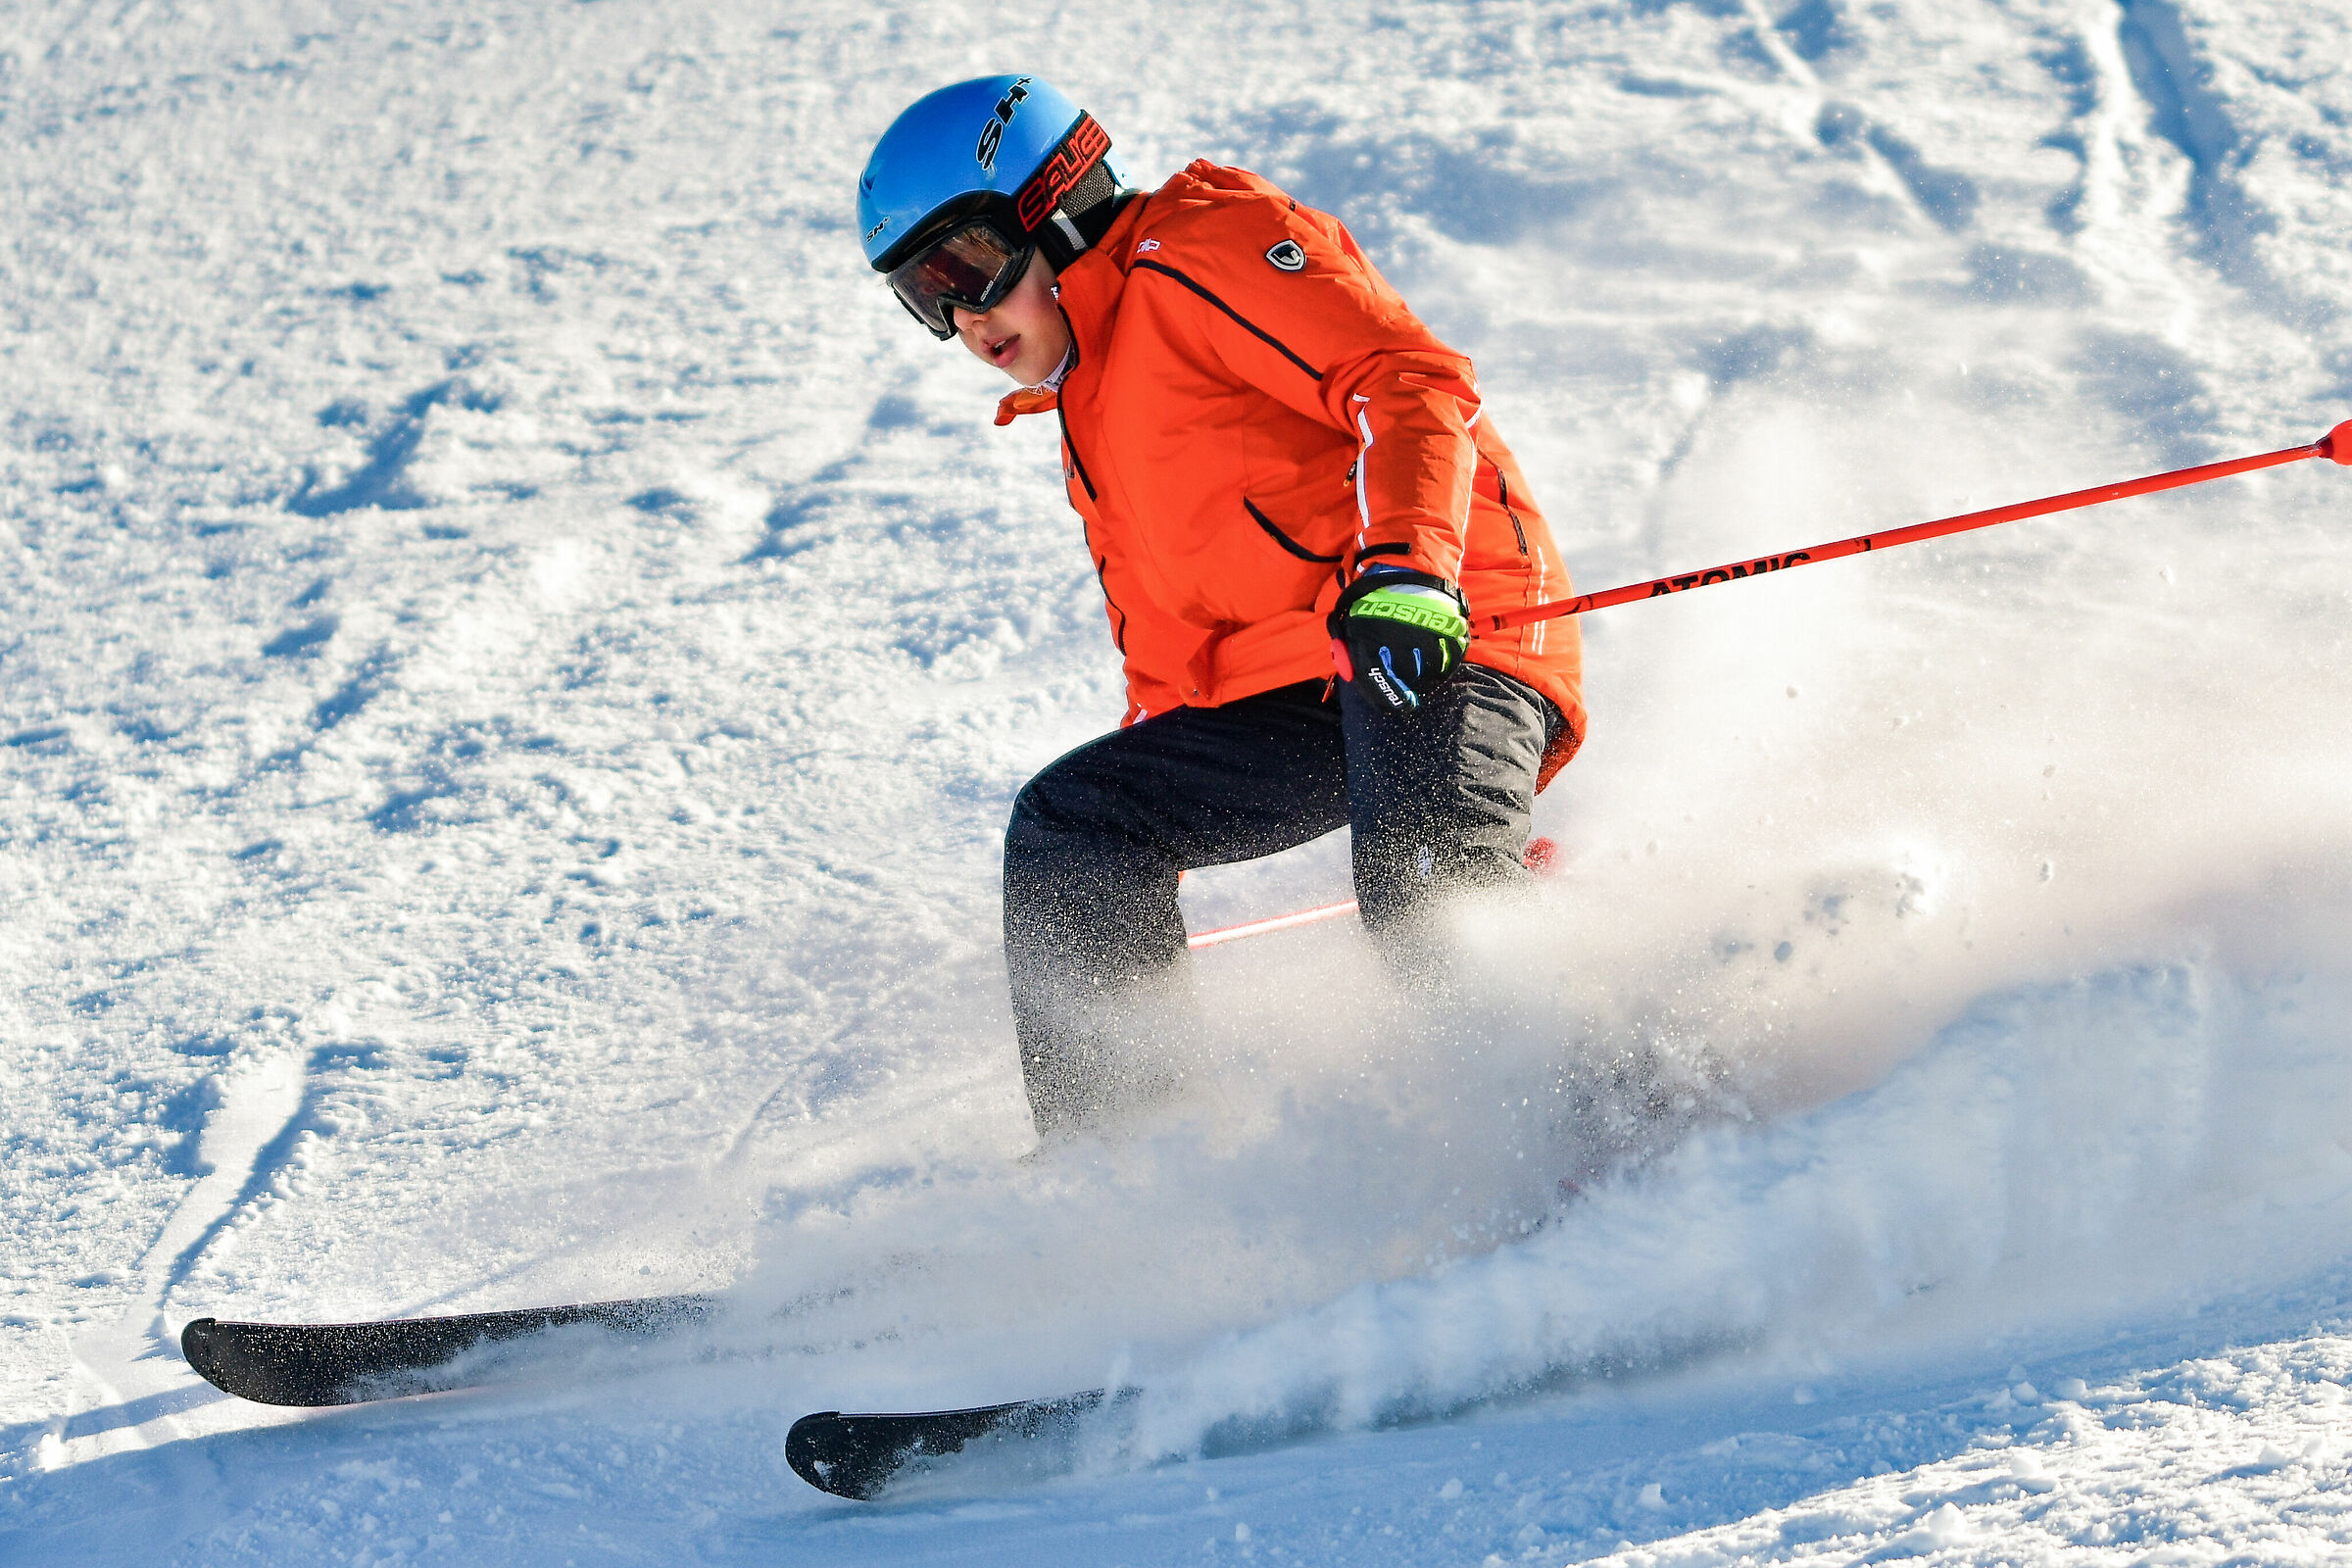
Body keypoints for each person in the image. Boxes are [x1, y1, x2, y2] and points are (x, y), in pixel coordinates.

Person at [857, 76, 1587, 1137]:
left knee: (1426, 898)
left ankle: (1623, 1116)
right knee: (1077, 827)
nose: (965, 318)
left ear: (1053, 206)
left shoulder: (1201, 246)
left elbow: (1404, 380)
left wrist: (1408, 571)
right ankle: (1130, 1167)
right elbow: (1172, 646)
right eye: (926, 296)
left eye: (968, 267)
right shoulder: (1090, 399)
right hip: (1308, 688)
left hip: (1439, 628)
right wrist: (1161, 775)